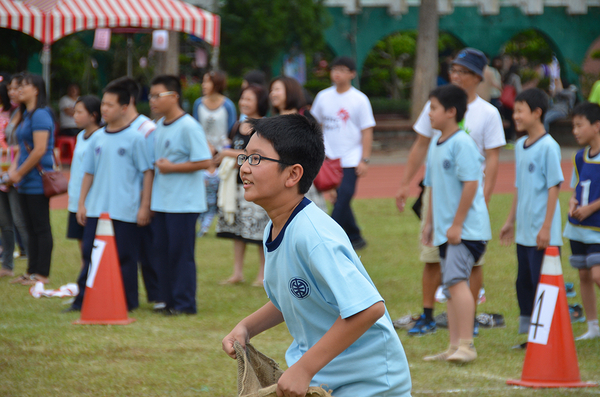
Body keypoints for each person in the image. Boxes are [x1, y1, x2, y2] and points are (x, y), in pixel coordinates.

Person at [222, 114, 411, 396]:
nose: (245, 168)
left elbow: (368, 308)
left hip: (369, 385)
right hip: (328, 381)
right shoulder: (276, 228)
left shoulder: (313, 235)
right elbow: (291, 296)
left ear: (293, 174)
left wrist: (304, 368)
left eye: (257, 159)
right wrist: (246, 327)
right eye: (245, 157)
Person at [395, 48, 505, 336]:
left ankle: (467, 320)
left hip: (469, 196)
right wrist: (405, 183)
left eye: (463, 71)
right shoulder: (436, 106)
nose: (455, 75)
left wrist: (487, 195)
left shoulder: (487, 113)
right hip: (439, 194)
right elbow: (421, 145)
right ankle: (429, 315)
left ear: (478, 77)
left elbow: (492, 158)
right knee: (432, 255)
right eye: (453, 70)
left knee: (472, 261)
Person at [67, 80, 153, 312]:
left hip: (125, 210)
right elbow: (88, 173)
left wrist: (144, 206)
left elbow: (147, 173)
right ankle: (82, 300)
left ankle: (127, 302)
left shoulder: (135, 138)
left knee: (125, 256)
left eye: (110, 105)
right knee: (89, 254)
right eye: (103, 104)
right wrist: (82, 203)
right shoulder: (97, 137)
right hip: (96, 208)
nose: (104, 109)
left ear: (124, 107)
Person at [421, 85, 491, 362]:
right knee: (451, 286)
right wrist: (429, 223)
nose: (429, 113)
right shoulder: (435, 144)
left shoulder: (462, 143)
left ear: (451, 112)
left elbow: (472, 184)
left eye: (434, 108)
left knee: (456, 282)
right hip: (446, 231)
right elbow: (433, 188)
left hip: (465, 231)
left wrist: (457, 225)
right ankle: (453, 346)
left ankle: (467, 345)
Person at [499, 88, 563, 337]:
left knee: (542, 282)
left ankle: (547, 333)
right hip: (524, 232)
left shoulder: (549, 147)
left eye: (519, 111)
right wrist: (509, 221)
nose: (515, 116)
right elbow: (519, 186)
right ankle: (529, 332)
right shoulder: (520, 147)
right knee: (523, 282)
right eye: (514, 111)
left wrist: (547, 227)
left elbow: (554, 187)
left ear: (537, 113)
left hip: (541, 232)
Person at [149, 75, 212, 315]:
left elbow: (205, 160)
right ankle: (167, 300)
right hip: (163, 201)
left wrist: (171, 167)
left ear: (174, 96)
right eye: (151, 96)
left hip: (184, 203)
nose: (153, 101)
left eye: (158, 95)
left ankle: (185, 304)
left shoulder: (188, 125)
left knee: (180, 254)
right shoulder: (159, 126)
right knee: (161, 252)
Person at [311, 56, 375, 250]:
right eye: (334, 69)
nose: (336, 73)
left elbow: (367, 131)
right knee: (340, 198)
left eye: (342, 69)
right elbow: (315, 124)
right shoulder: (323, 96)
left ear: (352, 74)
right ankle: (355, 236)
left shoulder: (359, 99)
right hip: (329, 157)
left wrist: (364, 159)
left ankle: (327, 237)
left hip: (351, 158)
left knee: (344, 196)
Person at [108, 76, 161, 308]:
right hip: (122, 202)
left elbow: (151, 168)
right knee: (126, 252)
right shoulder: (114, 128)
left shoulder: (147, 129)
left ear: (126, 101)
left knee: (149, 250)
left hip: (143, 200)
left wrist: (146, 203)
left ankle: (157, 295)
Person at [215, 84, 270, 286]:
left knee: (259, 230)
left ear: (260, 102)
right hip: (235, 184)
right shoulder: (237, 125)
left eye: (249, 99)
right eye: (243, 98)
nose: (244, 102)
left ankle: (262, 275)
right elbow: (230, 147)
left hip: (255, 185)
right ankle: (237, 273)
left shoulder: (264, 127)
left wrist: (228, 154)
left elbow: (257, 156)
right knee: (237, 231)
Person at [7, 74, 54, 286]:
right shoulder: (27, 114)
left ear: (36, 90)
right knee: (29, 227)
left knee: (40, 227)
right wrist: (14, 173)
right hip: (25, 181)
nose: (19, 90)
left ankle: (42, 274)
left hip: (36, 180)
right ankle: (31, 271)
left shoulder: (41, 115)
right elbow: (23, 150)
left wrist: (19, 173)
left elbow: (40, 150)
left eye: (24, 86)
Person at [563, 102, 600, 340]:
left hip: (596, 228)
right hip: (577, 229)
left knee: (597, 274)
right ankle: (593, 326)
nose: (575, 131)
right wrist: (573, 203)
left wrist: (590, 208)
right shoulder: (579, 157)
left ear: (596, 126)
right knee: (584, 275)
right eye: (573, 126)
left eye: (579, 125)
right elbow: (576, 187)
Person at [269, 76, 327, 212]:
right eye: (271, 90)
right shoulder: (272, 122)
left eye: (277, 89)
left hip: (302, 182)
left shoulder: (305, 120)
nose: (272, 94)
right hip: (279, 181)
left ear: (290, 91)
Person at [66, 95, 102, 268]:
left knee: (93, 243)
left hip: (91, 201)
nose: (75, 116)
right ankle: (85, 279)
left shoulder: (101, 137)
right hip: (76, 198)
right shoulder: (81, 136)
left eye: (80, 112)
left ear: (93, 115)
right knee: (81, 242)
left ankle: (93, 279)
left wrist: (84, 202)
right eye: (75, 112)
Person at [0, 80, 28, 278]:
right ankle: (7, 266)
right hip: (1, 172)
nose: (12, 92)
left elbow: (25, 144)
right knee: (5, 223)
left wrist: (7, 152)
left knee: (20, 221)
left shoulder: (19, 114)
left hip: (14, 173)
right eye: (9, 89)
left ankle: (34, 268)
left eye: (14, 89)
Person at [192, 71, 236, 153]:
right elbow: (196, 129)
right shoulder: (198, 104)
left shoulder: (228, 105)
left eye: (207, 82)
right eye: (203, 82)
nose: (203, 85)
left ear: (216, 84)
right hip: (202, 150)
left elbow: (231, 131)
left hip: (222, 152)